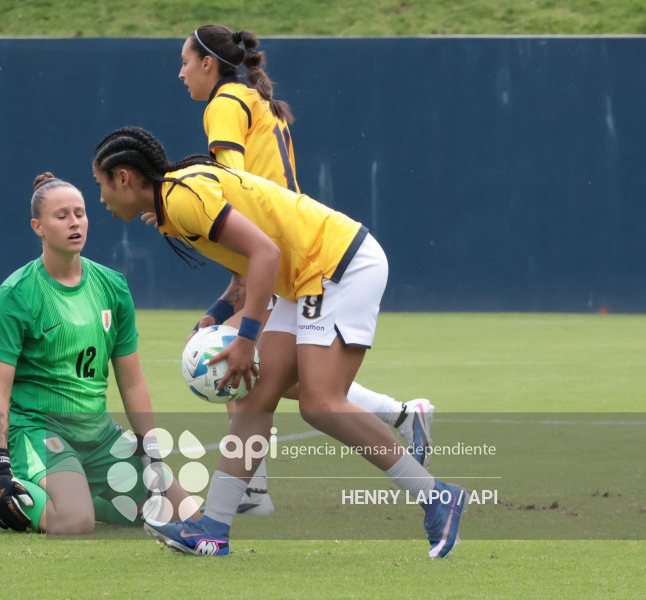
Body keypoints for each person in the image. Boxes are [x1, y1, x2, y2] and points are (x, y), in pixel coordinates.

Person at [92, 127, 465, 558]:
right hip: (304, 277)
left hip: (336, 263)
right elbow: (247, 268)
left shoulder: (182, 197)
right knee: (255, 399)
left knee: (320, 404)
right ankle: (212, 529)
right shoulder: (174, 206)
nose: (100, 197)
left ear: (123, 177)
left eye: (101, 184)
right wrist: (215, 315)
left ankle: (437, 496)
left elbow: (265, 254)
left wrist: (246, 340)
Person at [159, 24, 435, 514]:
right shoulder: (254, 98)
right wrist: (223, 303)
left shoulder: (224, 104)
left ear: (207, 63)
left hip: (299, 255)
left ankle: (254, 491)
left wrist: (177, 205)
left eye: (184, 62)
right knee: (259, 371)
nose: (180, 73)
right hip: (288, 246)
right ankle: (398, 419)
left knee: (242, 361)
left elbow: (227, 186)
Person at [0, 172, 192, 534]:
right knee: (74, 521)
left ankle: (76, 490)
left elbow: (132, 381)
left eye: (80, 213)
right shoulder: (17, 294)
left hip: (99, 435)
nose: (75, 223)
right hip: (40, 430)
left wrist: (150, 451)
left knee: (181, 513)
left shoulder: (112, 286)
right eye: (62, 216)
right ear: (37, 227)